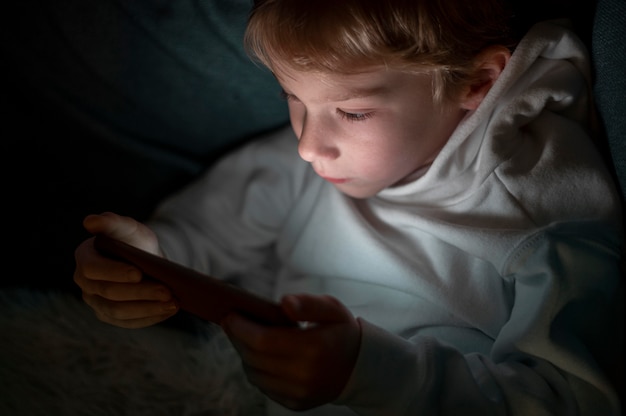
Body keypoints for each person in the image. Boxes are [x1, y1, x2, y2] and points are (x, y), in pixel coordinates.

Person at [73, 0, 623, 414]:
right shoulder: (303, 167)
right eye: (293, 98)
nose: (309, 145)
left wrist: (369, 372)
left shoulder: (543, 201)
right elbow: (198, 245)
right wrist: (144, 261)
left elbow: (573, 397)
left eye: (353, 112)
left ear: (478, 82)